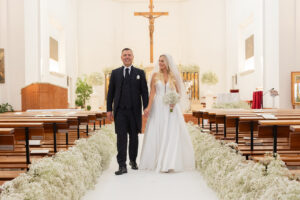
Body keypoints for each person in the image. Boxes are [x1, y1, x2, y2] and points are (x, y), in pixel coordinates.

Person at [140, 54, 195, 172]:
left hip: (171, 108)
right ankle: (157, 160)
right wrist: (148, 108)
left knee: (171, 132)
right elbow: (152, 93)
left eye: (163, 61)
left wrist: (174, 101)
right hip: (158, 106)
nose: (160, 63)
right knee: (157, 130)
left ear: (168, 63)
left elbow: (179, 93)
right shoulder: (154, 75)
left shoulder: (173, 76)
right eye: (159, 61)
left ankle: (170, 162)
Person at [107, 48, 149, 175]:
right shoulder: (115, 73)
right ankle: (121, 165)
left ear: (133, 57)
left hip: (134, 111)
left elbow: (145, 93)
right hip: (120, 111)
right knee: (121, 138)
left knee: (134, 137)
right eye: (124, 55)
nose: (127, 57)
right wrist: (109, 109)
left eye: (129, 55)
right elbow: (110, 94)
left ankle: (133, 160)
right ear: (121, 57)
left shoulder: (140, 73)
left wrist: (146, 108)